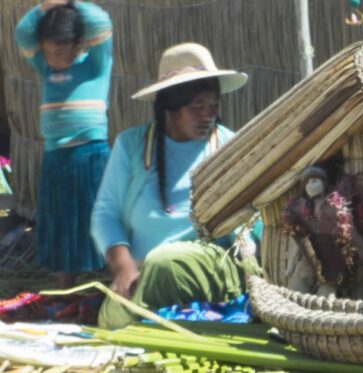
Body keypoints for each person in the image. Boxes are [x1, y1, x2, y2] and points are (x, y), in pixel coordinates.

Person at [91, 43, 259, 329]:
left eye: (213, 106)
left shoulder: (229, 147)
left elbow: (254, 222)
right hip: (145, 279)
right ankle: (142, 315)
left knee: (165, 264)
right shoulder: (132, 146)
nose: (207, 115)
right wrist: (123, 266)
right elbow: (106, 213)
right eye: (196, 107)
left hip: (211, 271)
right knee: (113, 320)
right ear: (170, 107)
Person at [15, 0, 112, 289]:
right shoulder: (45, 68)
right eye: (47, 52)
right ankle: (65, 287)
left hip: (90, 154)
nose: (53, 59)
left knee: (98, 218)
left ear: (78, 43)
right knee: (61, 219)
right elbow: (22, 33)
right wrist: (45, 7)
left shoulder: (96, 63)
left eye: (59, 52)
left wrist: (71, 3)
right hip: (56, 156)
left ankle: (113, 280)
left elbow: (101, 22)